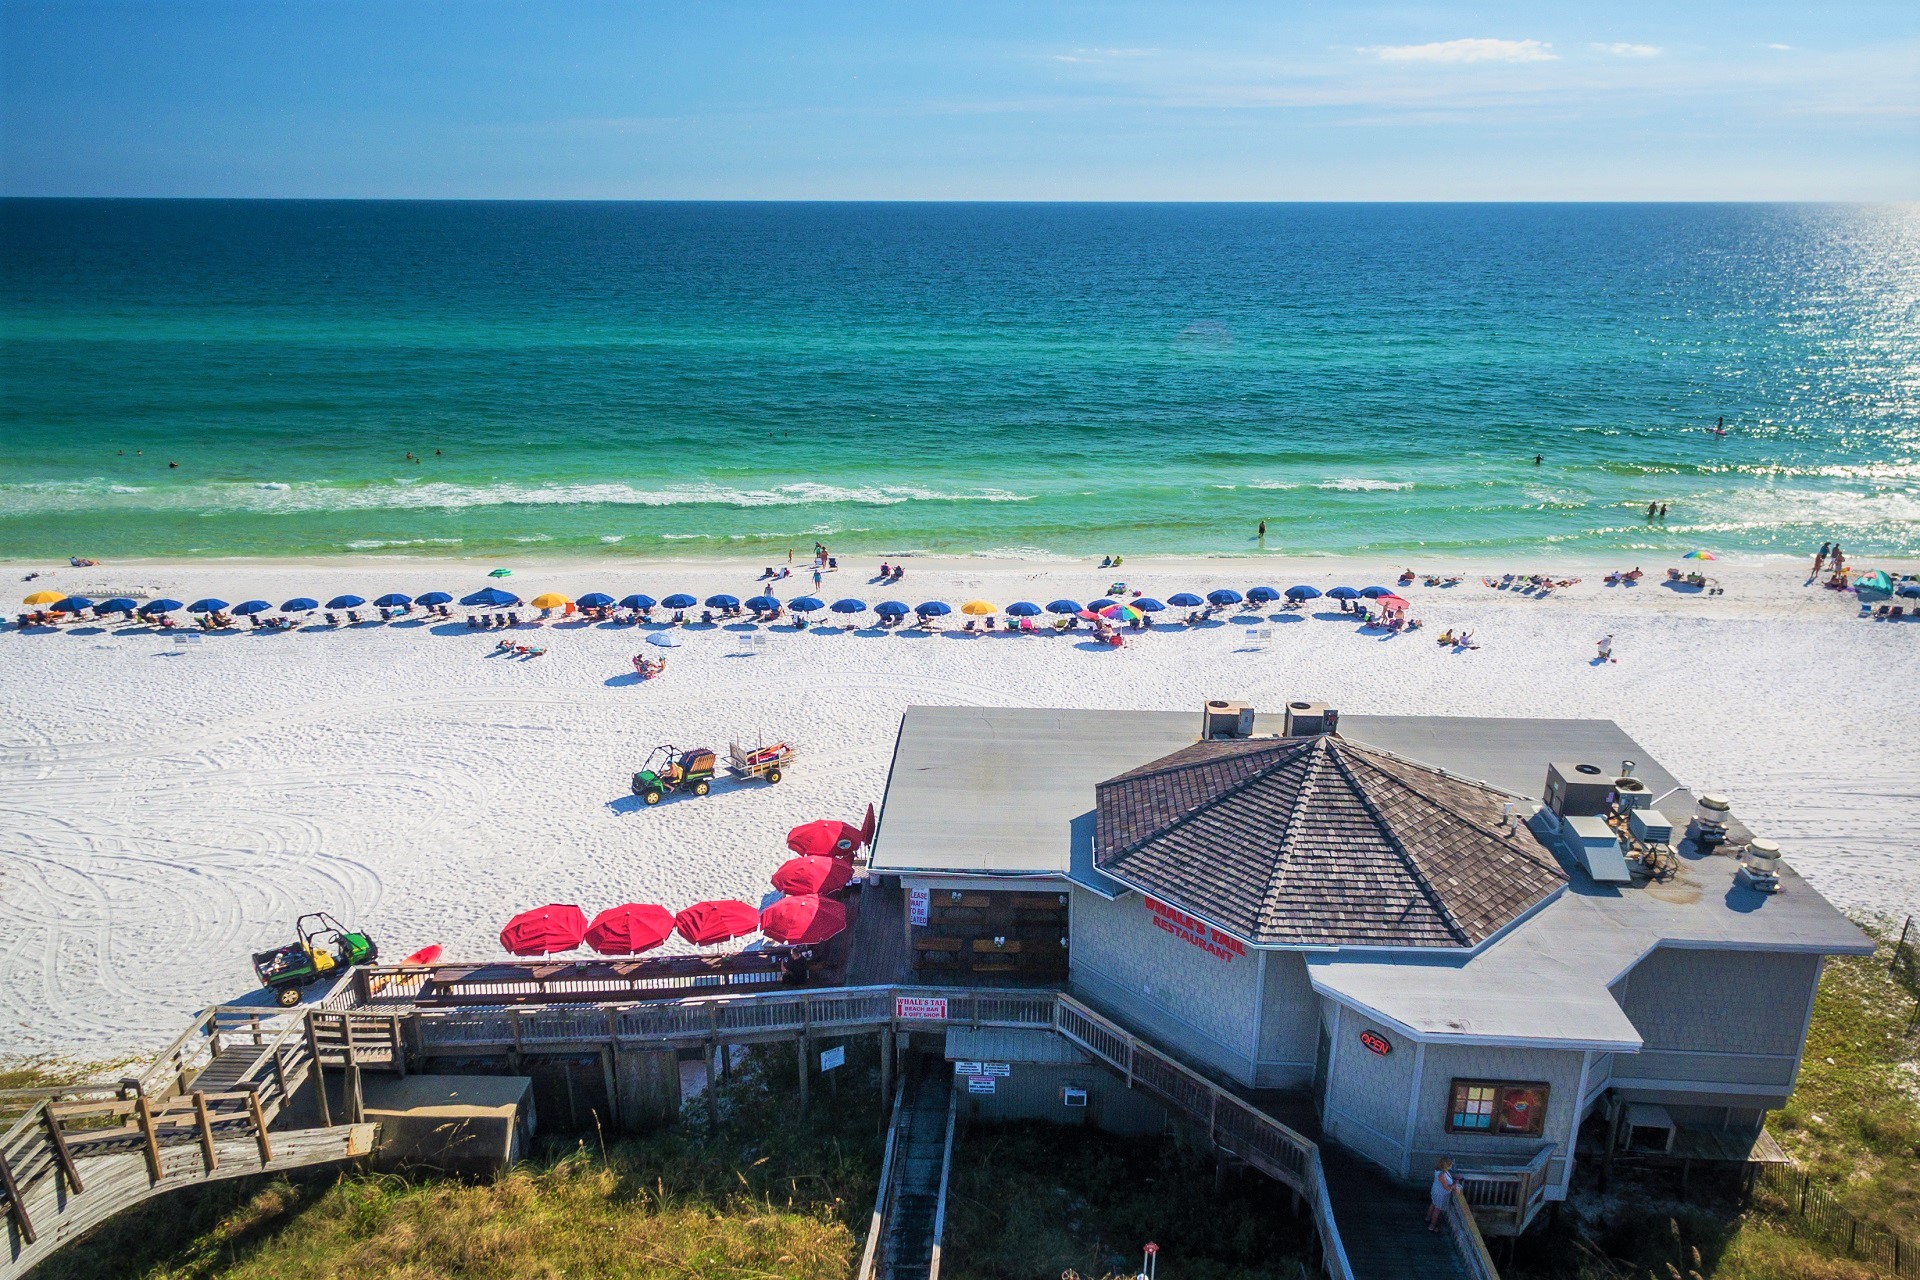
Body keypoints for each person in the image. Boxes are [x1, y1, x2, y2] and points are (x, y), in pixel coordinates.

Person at [1427, 1157, 1457, 1231]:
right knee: (1437, 1209)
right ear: (1447, 1166)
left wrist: (1453, 1177)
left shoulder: (1438, 1169)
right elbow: (1446, 1188)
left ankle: (1427, 1218)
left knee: (1433, 1203)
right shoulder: (1442, 1175)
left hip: (1436, 1190)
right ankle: (1432, 1226)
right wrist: (1455, 1184)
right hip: (1441, 1194)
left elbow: (1445, 1178)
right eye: (1450, 1165)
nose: (1451, 1166)